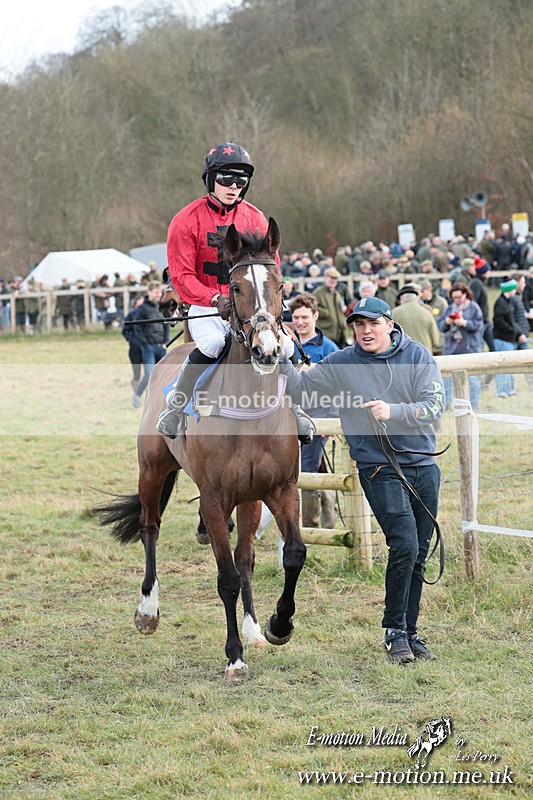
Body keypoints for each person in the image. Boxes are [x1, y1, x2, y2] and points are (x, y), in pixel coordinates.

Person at [283, 296, 445, 663]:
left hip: (422, 463)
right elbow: (300, 390)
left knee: (419, 551)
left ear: (389, 323)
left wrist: (395, 411)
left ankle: (411, 632)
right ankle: (394, 632)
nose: (365, 330)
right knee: (403, 544)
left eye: (372, 323)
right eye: (358, 324)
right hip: (377, 466)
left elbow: (435, 405)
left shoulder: (416, 356)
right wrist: (281, 357)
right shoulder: (341, 362)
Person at [156, 141, 299, 437]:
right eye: (225, 179)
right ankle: (175, 407)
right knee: (212, 346)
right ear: (210, 179)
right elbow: (182, 277)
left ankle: (298, 410)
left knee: (286, 347)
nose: (233, 187)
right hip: (207, 303)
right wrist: (213, 298)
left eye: (241, 181)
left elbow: (271, 270)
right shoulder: (185, 221)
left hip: (248, 303)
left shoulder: (256, 218)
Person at [288, 293, 339, 529]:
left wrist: (328, 422)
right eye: (296, 317)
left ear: (315, 316)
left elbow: (340, 387)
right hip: (289, 416)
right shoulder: (286, 344)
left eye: (305, 317)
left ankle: (309, 525)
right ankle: (329, 518)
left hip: (318, 417)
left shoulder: (328, 348)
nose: (300, 322)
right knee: (316, 466)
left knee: (307, 468)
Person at [437, 283, 484, 409]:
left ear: (465, 294)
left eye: (458, 297)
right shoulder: (449, 308)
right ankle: (446, 405)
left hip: (470, 348)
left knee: (473, 379)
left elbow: (479, 325)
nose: (456, 300)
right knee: (446, 378)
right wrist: (447, 322)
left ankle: (474, 406)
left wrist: (465, 323)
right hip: (452, 348)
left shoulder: (474, 307)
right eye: (454, 297)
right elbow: (440, 326)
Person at [131, 282, 167, 408]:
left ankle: (160, 400)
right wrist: (145, 343)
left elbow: (165, 324)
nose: (159, 295)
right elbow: (137, 327)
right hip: (148, 348)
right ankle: (137, 395)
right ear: (149, 292)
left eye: (160, 292)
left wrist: (165, 341)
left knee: (164, 375)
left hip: (160, 347)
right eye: (156, 292)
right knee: (149, 373)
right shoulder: (142, 309)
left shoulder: (161, 307)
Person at [493, 278, 525, 397]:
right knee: (503, 367)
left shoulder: (508, 302)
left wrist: (518, 332)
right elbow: (498, 321)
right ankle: (501, 391)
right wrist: (513, 331)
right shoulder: (500, 303)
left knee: (510, 366)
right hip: (502, 339)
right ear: (509, 289)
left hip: (509, 338)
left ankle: (509, 390)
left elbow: (512, 321)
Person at [392, 284, 442, 355]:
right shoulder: (427, 313)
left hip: (403, 358)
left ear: (402, 298)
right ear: (416, 298)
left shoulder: (394, 313)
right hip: (424, 356)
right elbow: (436, 340)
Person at [312, 267, 352, 348]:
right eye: (331, 277)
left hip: (340, 334)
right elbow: (313, 308)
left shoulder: (336, 293)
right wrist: (326, 313)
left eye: (335, 278)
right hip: (327, 333)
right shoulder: (318, 293)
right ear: (326, 277)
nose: (333, 280)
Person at [123, 295, 144, 393]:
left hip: (147, 348)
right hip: (135, 349)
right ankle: (136, 391)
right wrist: (132, 340)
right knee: (137, 373)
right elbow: (125, 331)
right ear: (135, 305)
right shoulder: (131, 316)